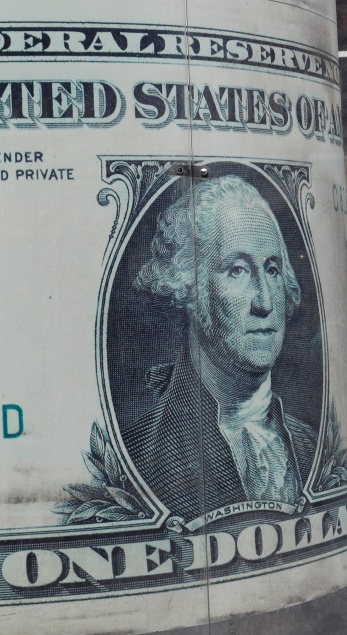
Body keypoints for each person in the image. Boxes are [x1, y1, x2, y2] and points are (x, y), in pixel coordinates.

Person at [124, 175, 318, 521]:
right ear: (189, 287)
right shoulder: (138, 457)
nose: (264, 302)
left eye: (272, 270)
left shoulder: (311, 445)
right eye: (237, 270)